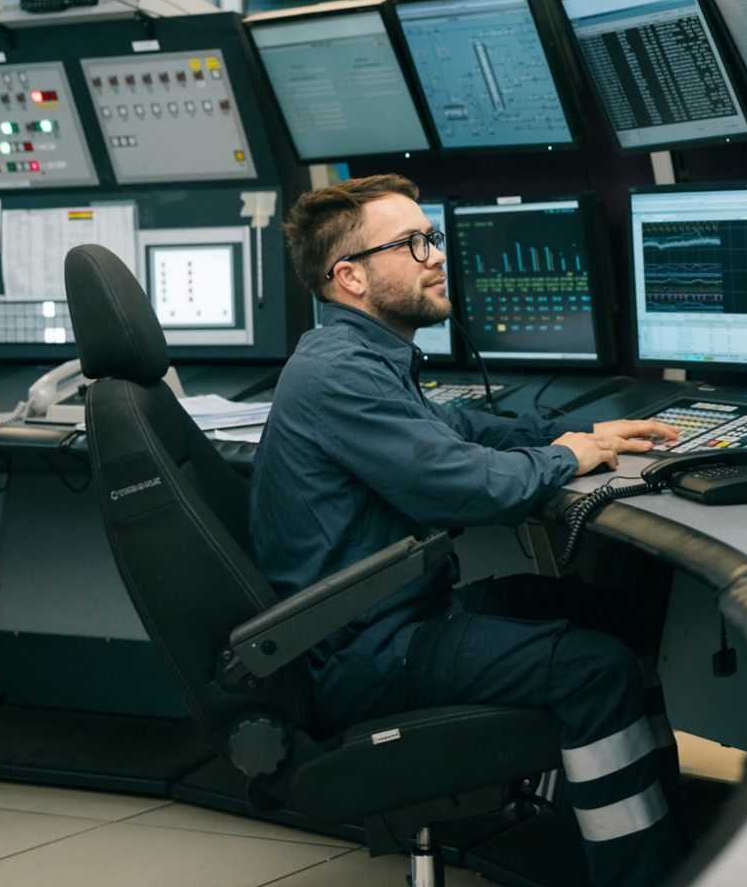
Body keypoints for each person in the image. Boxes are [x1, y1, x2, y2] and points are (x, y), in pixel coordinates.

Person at [248, 174, 687, 887]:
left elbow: (457, 429)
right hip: (373, 653)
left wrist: (577, 430)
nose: (434, 255)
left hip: (391, 624)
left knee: (615, 616)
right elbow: (466, 483)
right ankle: (637, 877)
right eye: (412, 243)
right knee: (594, 668)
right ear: (350, 276)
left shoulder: (363, 360)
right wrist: (565, 457)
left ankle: (665, 844)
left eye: (432, 237)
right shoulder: (340, 374)